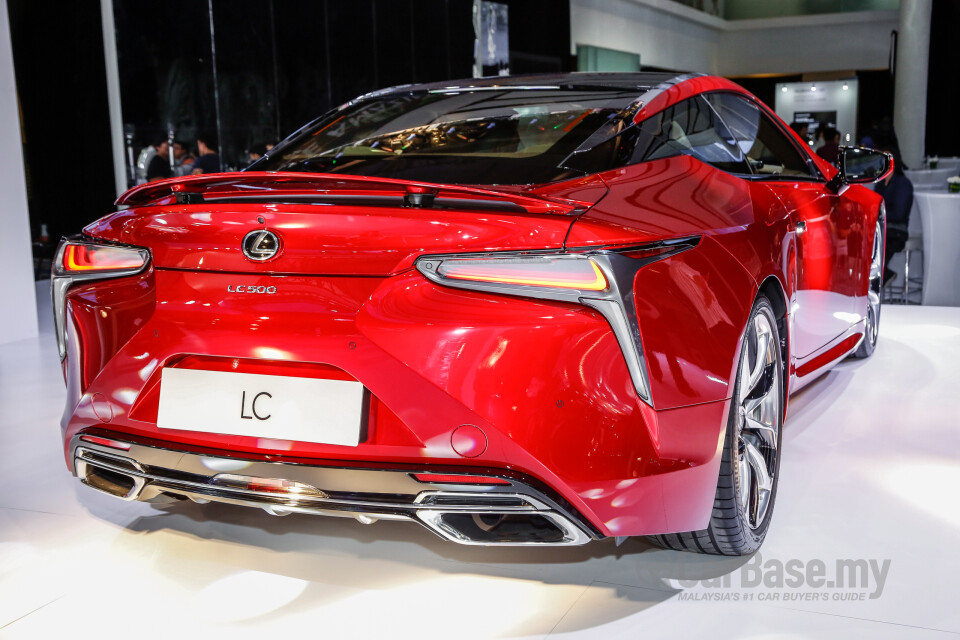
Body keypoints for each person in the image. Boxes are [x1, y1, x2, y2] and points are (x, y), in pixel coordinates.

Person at [874, 146, 914, 286]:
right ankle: (881, 275)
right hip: (881, 228)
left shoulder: (903, 183)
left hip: (896, 231)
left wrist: (877, 215)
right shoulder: (880, 184)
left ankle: (881, 276)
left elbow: (899, 213)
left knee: (877, 243)